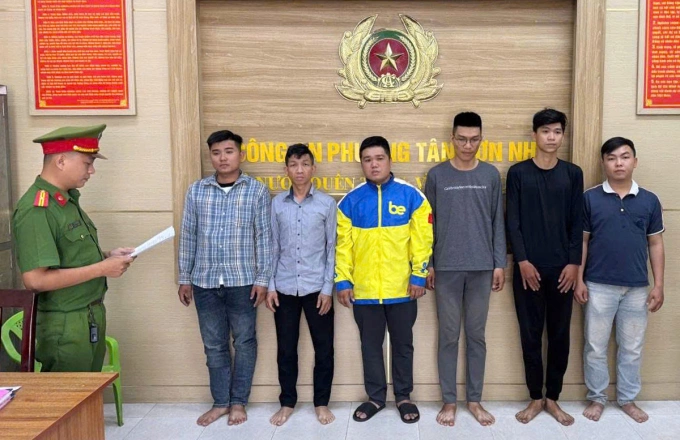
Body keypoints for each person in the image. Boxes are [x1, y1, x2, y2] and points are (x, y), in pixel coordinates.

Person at [12, 124, 134, 372]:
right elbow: (35, 280)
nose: (92, 171)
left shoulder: (66, 201)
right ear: (61, 161)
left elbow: (69, 256)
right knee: (70, 396)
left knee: (89, 394)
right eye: (87, 163)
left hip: (88, 317)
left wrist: (107, 256)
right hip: (65, 326)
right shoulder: (37, 209)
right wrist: (102, 268)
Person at [335, 136, 433, 424]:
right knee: (370, 346)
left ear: (390, 160)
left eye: (379, 158)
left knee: (403, 345)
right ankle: (376, 397)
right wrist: (343, 281)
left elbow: (423, 241)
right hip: (364, 291)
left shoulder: (412, 196)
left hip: (403, 289)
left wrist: (419, 275)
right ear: (361, 164)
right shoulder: (350, 201)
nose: (374, 164)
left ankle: (403, 396)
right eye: (367, 160)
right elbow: (343, 247)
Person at [177, 129, 272, 427]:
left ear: (240, 155)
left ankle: (238, 401)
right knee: (214, 345)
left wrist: (263, 279)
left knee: (244, 342)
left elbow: (264, 238)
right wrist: (184, 277)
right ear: (211, 156)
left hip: (243, 281)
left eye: (229, 151)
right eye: (216, 152)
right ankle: (220, 402)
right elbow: (188, 235)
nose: (223, 158)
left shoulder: (256, 190)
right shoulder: (197, 191)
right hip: (204, 281)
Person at [424, 112, 506, 427]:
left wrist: (499, 263)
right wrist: (429, 263)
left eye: (473, 139)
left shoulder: (490, 175)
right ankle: (449, 401)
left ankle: (474, 399)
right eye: (462, 139)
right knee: (448, 335)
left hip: (482, 267)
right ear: (452, 138)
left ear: (481, 139)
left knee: (476, 335)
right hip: (446, 268)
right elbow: (427, 225)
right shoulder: (437, 175)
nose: (467, 145)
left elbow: (498, 222)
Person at [575, 137, 665, 423]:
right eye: (612, 158)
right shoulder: (589, 198)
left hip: (637, 287)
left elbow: (655, 244)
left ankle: (627, 399)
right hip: (598, 284)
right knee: (595, 347)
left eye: (625, 157)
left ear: (634, 161)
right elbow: (582, 242)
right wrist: (579, 279)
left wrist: (659, 285)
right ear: (603, 163)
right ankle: (597, 397)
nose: (618, 163)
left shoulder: (649, 200)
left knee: (632, 347)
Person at [506, 108, 583, 426]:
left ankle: (553, 398)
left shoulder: (573, 174)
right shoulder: (518, 173)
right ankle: (535, 397)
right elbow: (512, 222)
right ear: (534, 134)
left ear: (563, 135)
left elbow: (577, 221)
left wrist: (574, 263)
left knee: (560, 335)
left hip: (563, 270)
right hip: (528, 270)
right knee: (530, 335)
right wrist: (522, 261)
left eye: (557, 131)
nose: (552, 137)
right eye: (546, 131)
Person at [266, 144, 337, 426]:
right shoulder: (276, 204)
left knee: (324, 349)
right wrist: (270, 285)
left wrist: (328, 289)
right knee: (286, 349)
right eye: (294, 164)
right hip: (284, 288)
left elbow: (332, 249)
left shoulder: (326, 204)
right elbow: (272, 246)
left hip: (317, 288)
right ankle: (287, 403)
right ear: (286, 170)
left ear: (313, 168)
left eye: (305, 164)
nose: (299, 170)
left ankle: (321, 403)